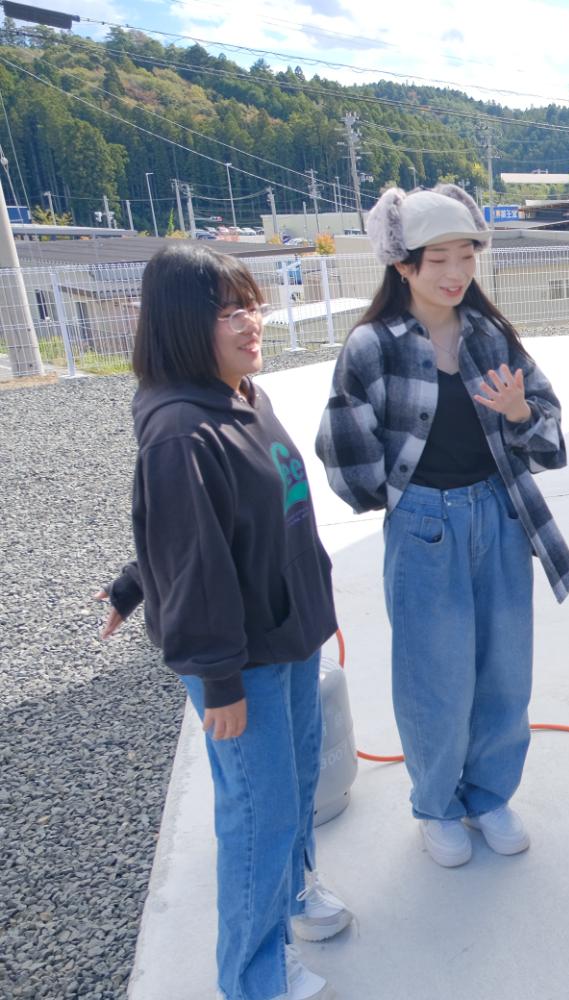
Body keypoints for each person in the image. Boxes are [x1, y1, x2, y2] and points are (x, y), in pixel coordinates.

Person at [99, 244, 347, 1000]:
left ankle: (292, 896)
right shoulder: (182, 430)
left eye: (253, 305)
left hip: (288, 630)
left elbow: (215, 523)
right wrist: (219, 681)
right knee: (258, 815)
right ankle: (253, 976)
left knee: (295, 788)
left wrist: (130, 584)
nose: (251, 323)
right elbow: (191, 554)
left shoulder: (239, 393)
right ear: (182, 324)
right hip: (244, 661)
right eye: (229, 312)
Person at [317, 185, 569, 867]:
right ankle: (436, 805)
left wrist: (520, 415)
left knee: (504, 670)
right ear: (403, 264)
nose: (456, 272)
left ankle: (488, 796)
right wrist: (396, 498)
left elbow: (549, 428)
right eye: (439, 259)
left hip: (499, 512)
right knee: (435, 677)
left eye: (467, 255)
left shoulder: (490, 335)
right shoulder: (372, 346)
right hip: (424, 525)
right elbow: (343, 448)